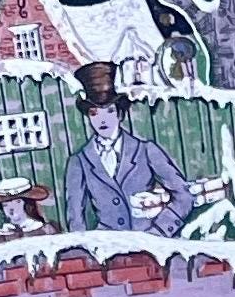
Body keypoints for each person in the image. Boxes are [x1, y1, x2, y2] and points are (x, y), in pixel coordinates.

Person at [62, 61, 195, 235]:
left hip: (149, 242)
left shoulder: (146, 151)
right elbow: (75, 217)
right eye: (94, 113)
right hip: (108, 245)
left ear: (120, 113)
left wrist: (159, 231)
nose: (102, 120)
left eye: (109, 111)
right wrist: (86, 246)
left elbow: (184, 195)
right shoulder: (79, 161)